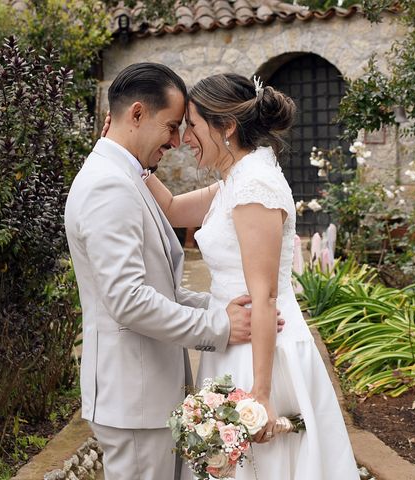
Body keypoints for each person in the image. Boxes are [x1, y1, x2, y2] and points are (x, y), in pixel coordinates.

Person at [64, 63, 278, 480]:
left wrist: (219, 305)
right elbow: (129, 301)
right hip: (133, 400)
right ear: (138, 114)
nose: (178, 141)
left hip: (144, 397)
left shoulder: (123, 176)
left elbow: (158, 286)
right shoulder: (109, 186)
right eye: (173, 126)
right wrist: (217, 324)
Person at [144, 73, 360, 479]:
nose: (186, 137)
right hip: (234, 340)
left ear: (226, 127)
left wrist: (260, 395)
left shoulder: (254, 186)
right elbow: (171, 208)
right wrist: (128, 153)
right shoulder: (236, 179)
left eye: (193, 124)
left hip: (261, 352)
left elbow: (264, 297)